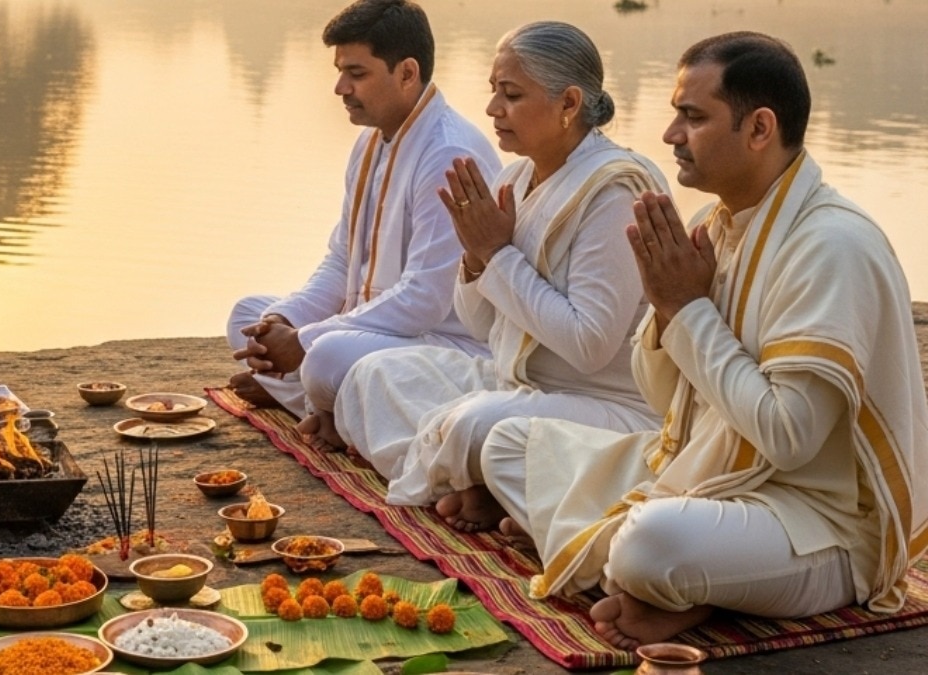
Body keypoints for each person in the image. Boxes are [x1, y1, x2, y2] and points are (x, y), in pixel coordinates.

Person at [480, 31, 928, 650]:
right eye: (675, 115)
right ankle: (666, 581)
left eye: (693, 117)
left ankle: (656, 576)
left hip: (813, 524)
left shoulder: (831, 247)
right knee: (508, 445)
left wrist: (686, 310)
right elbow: (668, 401)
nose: (670, 135)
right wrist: (668, 318)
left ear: (760, 128)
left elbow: (789, 438)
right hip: (708, 475)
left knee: (651, 543)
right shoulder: (711, 225)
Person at [333, 21, 668, 530]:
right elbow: (482, 327)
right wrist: (474, 260)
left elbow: (589, 343)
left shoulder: (615, 191)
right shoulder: (516, 177)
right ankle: (480, 485)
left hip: (606, 407)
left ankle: (474, 481)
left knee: (475, 426)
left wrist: (497, 255)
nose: (492, 109)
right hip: (517, 382)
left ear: (569, 105)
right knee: (372, 376)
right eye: (494, 92)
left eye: (510, 95)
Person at [224, 0, 500, 445]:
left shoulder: (448, 154)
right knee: (248, 316)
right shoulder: (371, 142)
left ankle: (323, 405)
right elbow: (341, 260)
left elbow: (424, 300)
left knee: (326, 355)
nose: (339, 88)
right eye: (339, 72)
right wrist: (283, 322)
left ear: (407, 73)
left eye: (357, 74)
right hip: (370, 333)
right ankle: (324, 404)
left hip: (445, 348)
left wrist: (306, 340)